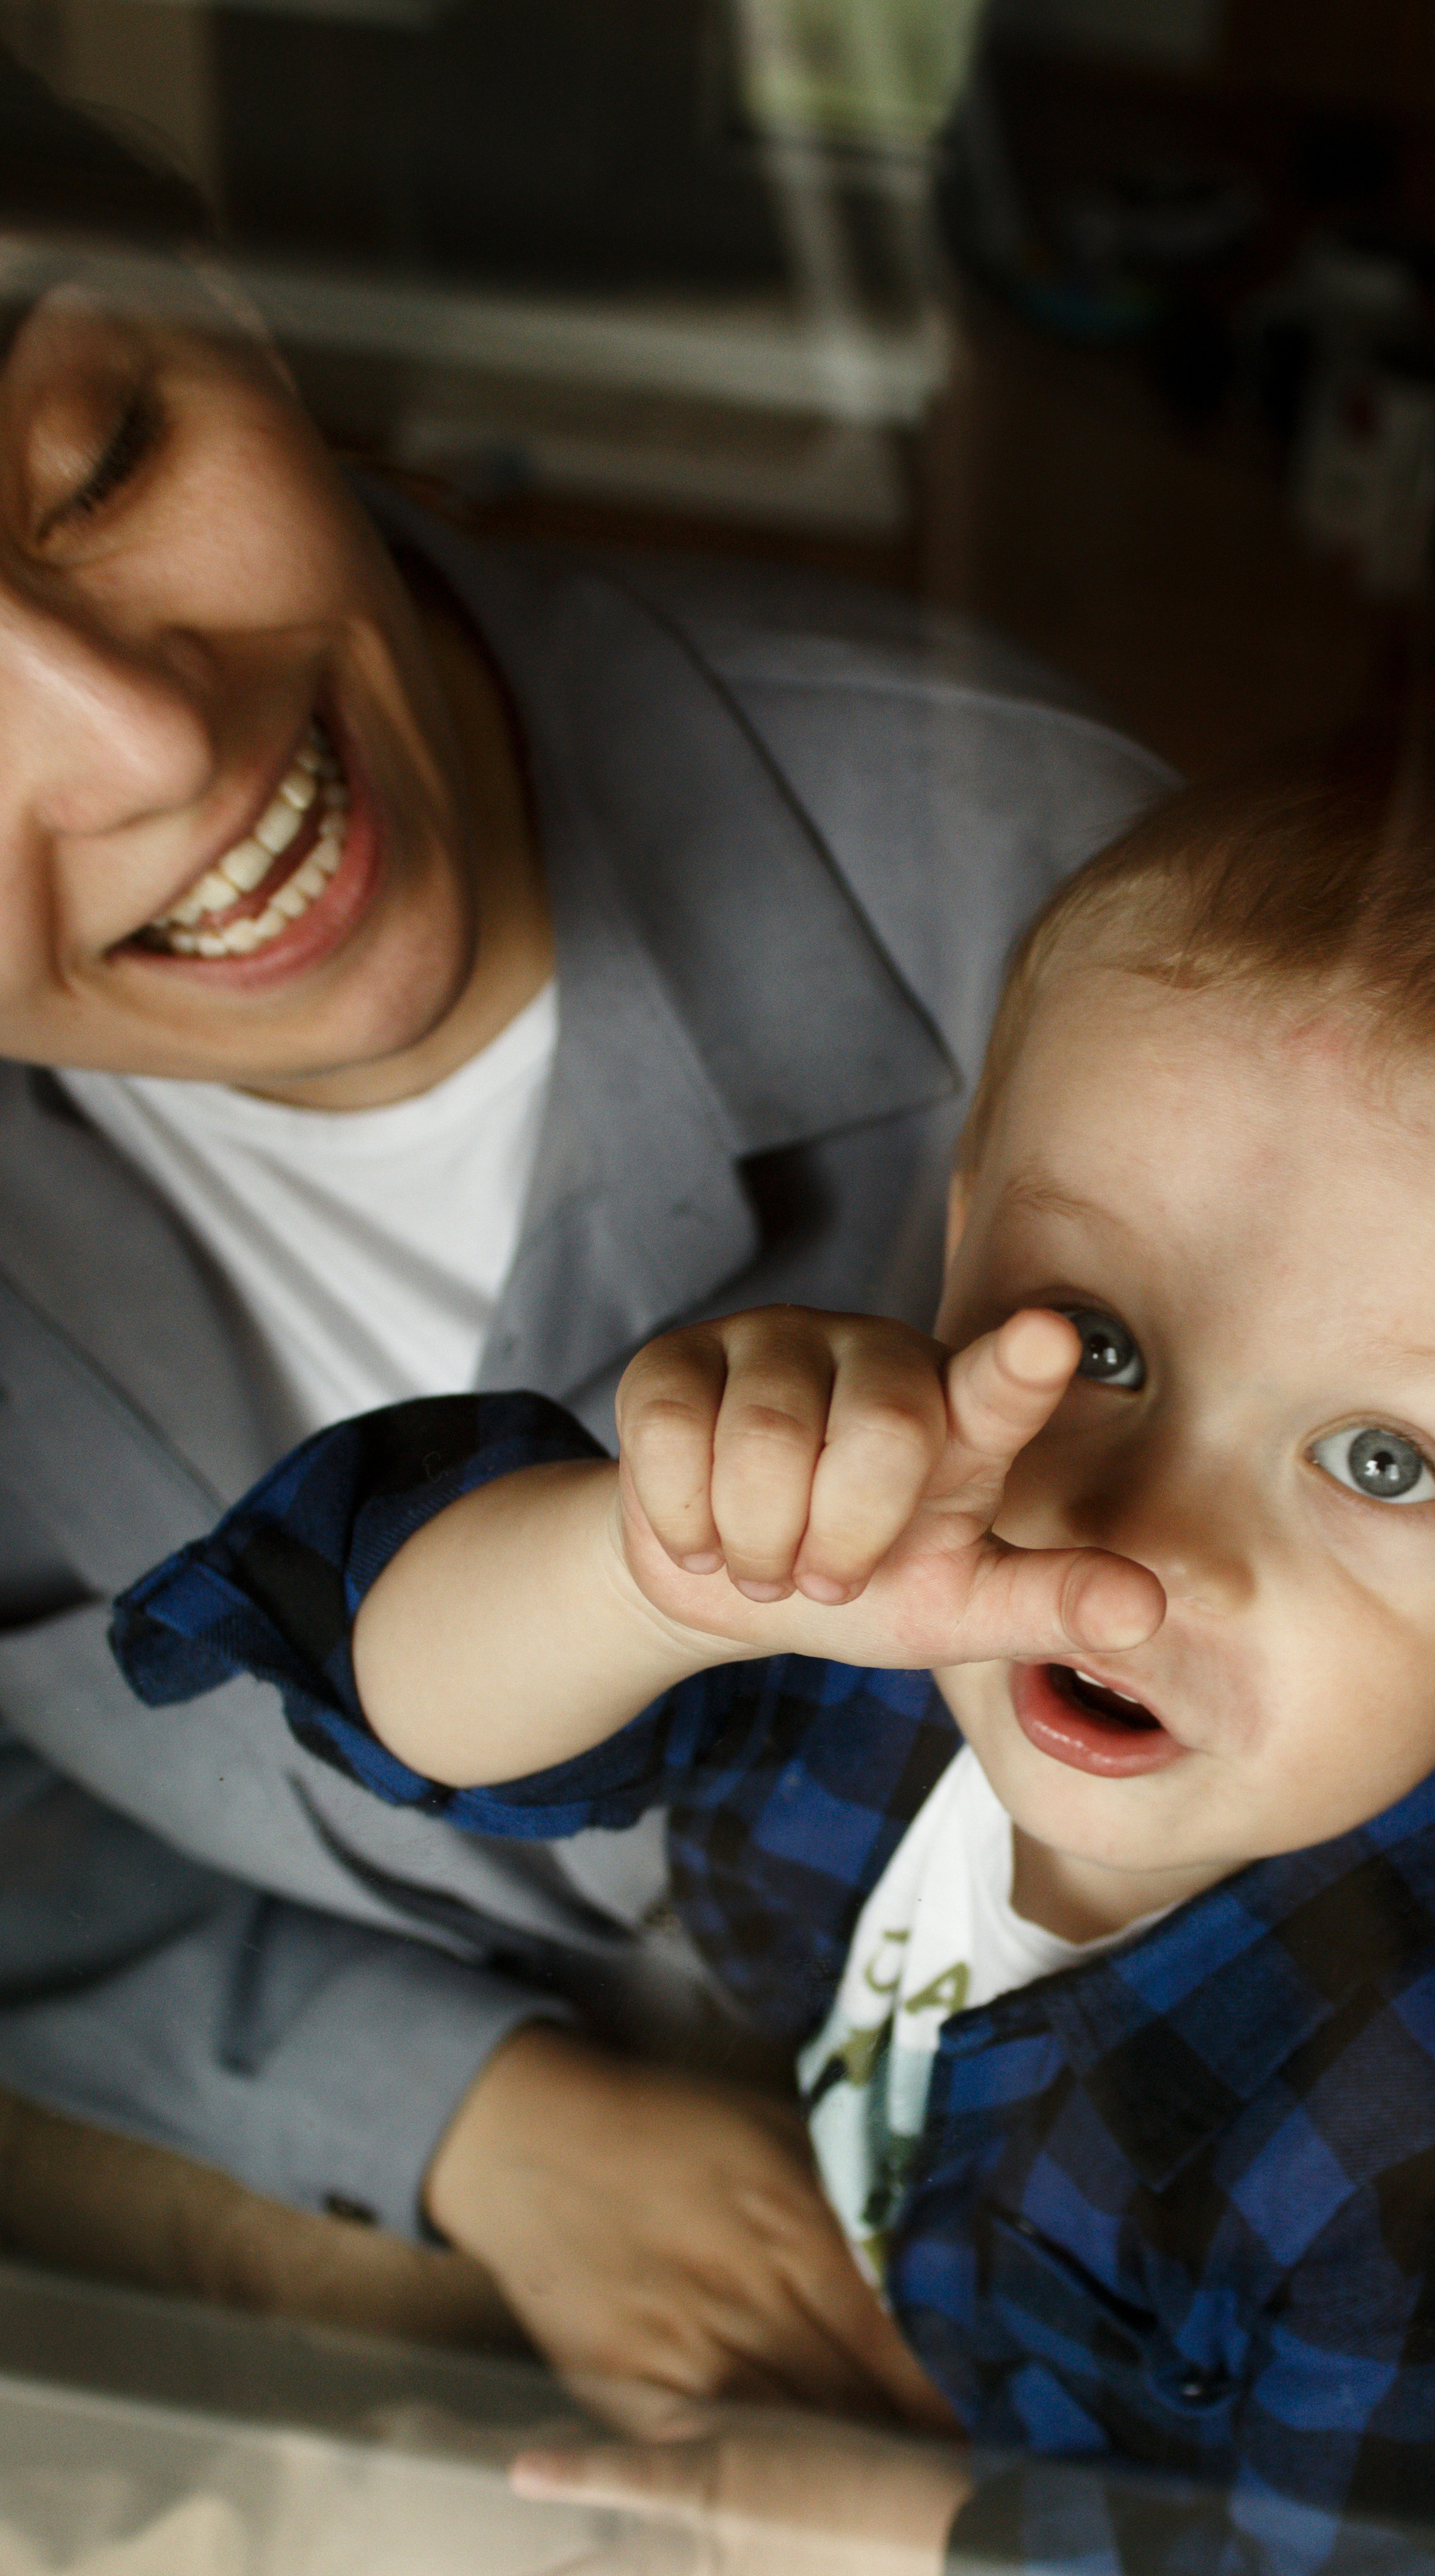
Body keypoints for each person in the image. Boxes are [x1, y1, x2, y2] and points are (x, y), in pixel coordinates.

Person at [110, 728, 1435, 2576]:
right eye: (1100, 1340)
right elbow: (388, 1679)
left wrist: (853, 2551)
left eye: (1381, 1461)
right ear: (960, 1254)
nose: (1146, 1541)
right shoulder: (908, 1574)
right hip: (895, 2274)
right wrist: (651, 1575)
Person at [0, 47, 1165, 2417]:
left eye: (102, 465)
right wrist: (468, 2121)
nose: (149, 744)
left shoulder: (1055, 907)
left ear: (246, 308)